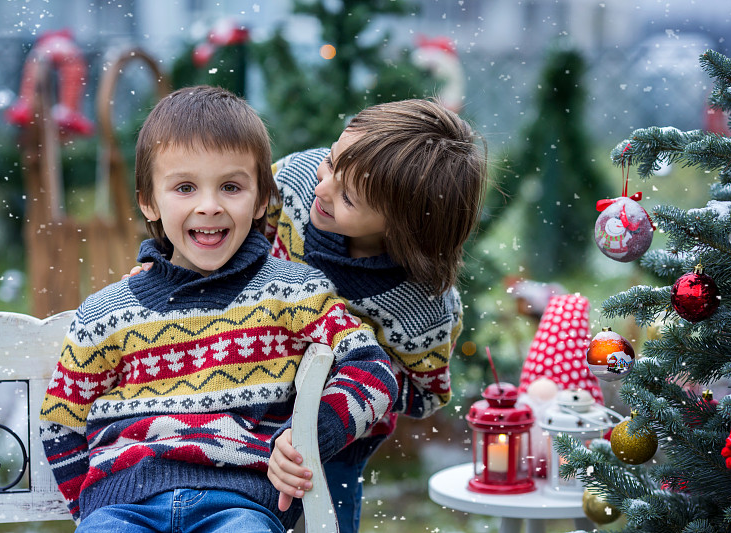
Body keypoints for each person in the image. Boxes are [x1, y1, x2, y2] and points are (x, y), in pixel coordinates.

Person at [38, 85, 397, 533]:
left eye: (230, 186)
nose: (209, 207)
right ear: (149, 200)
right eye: (185, 187)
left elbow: (373, 367)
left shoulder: (292, 294)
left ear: (261, 198)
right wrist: (89, 508)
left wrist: (309, 436)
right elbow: (60, 423)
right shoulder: (107, 314)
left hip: (239, 503)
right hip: (123, 504)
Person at [264, 99, 488, 532]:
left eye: (346, 196)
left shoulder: (423, 308)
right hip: (246, 398)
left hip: (338, 446)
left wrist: (349, 373)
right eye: (331, 161)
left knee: (325, 520)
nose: (322, 187)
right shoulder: (290, 185)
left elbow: (426, 394)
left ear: (402, 227)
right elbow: (233, 229)